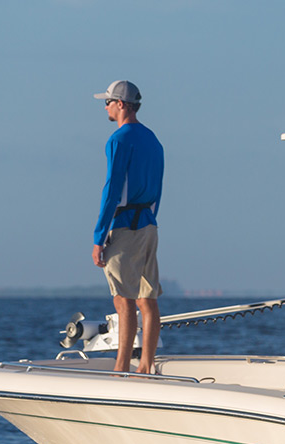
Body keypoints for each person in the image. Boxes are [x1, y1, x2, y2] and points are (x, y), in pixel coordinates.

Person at [91, 80, 165, 374]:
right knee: (147, 298)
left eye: (107, 101)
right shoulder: (153, 139)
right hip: (149, 225)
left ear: (121, 104)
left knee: (124, 300)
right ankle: (146, 364)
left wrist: (99, 237)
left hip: (125, 227)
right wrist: (151, 217)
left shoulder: (118, 140)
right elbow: (158, 186)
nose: (105, 106)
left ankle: (121, 368)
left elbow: (111, 190)